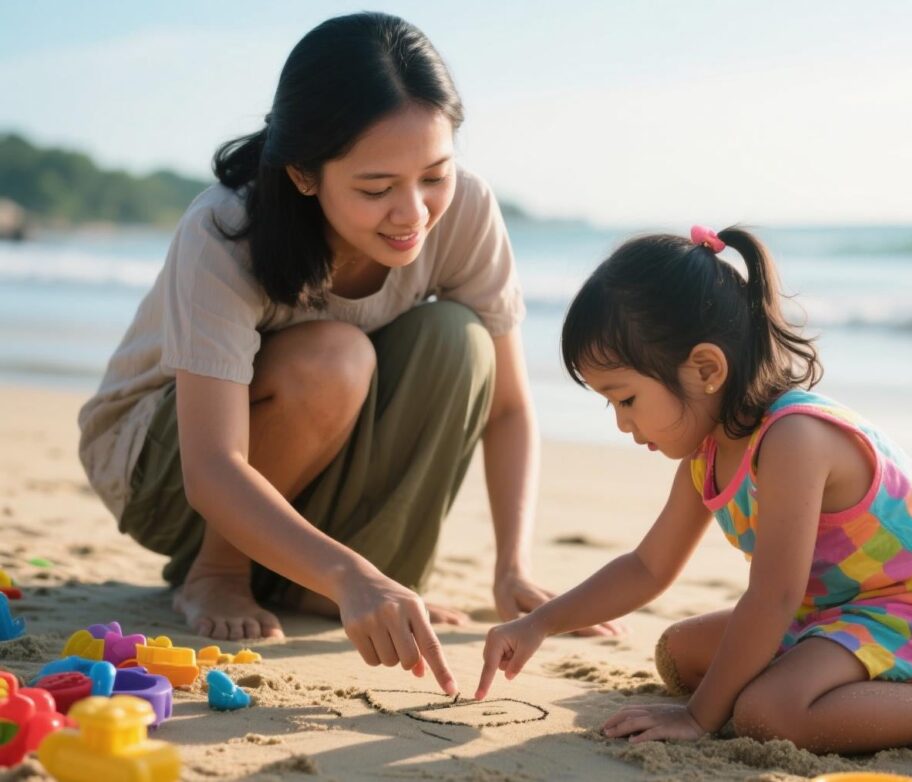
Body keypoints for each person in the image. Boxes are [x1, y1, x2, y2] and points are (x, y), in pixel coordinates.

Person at [78, 12, 616, 697]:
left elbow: (507, 408)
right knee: (336, 357)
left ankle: (318, 581)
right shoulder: (226, 231)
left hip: (309, 468)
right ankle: (219, 572)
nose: (413, 212)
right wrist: (349, 575)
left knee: (460, 340)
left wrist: (511, 568)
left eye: (434, 175)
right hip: (163, 472)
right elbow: (211, 467)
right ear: (304, 174)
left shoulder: (467, 214)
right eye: (375, 187)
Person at [475, 225, 912, 754]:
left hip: (910, 610)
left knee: (768, 715)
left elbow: (773, 597)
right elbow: (648, 567)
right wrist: (539, 622)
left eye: (627, 399)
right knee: (681, 654)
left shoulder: (792, 439)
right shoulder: (706, 455)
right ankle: (829, 681)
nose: (621, 422)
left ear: (706, 369)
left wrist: (697, 717)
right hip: (829, 611)